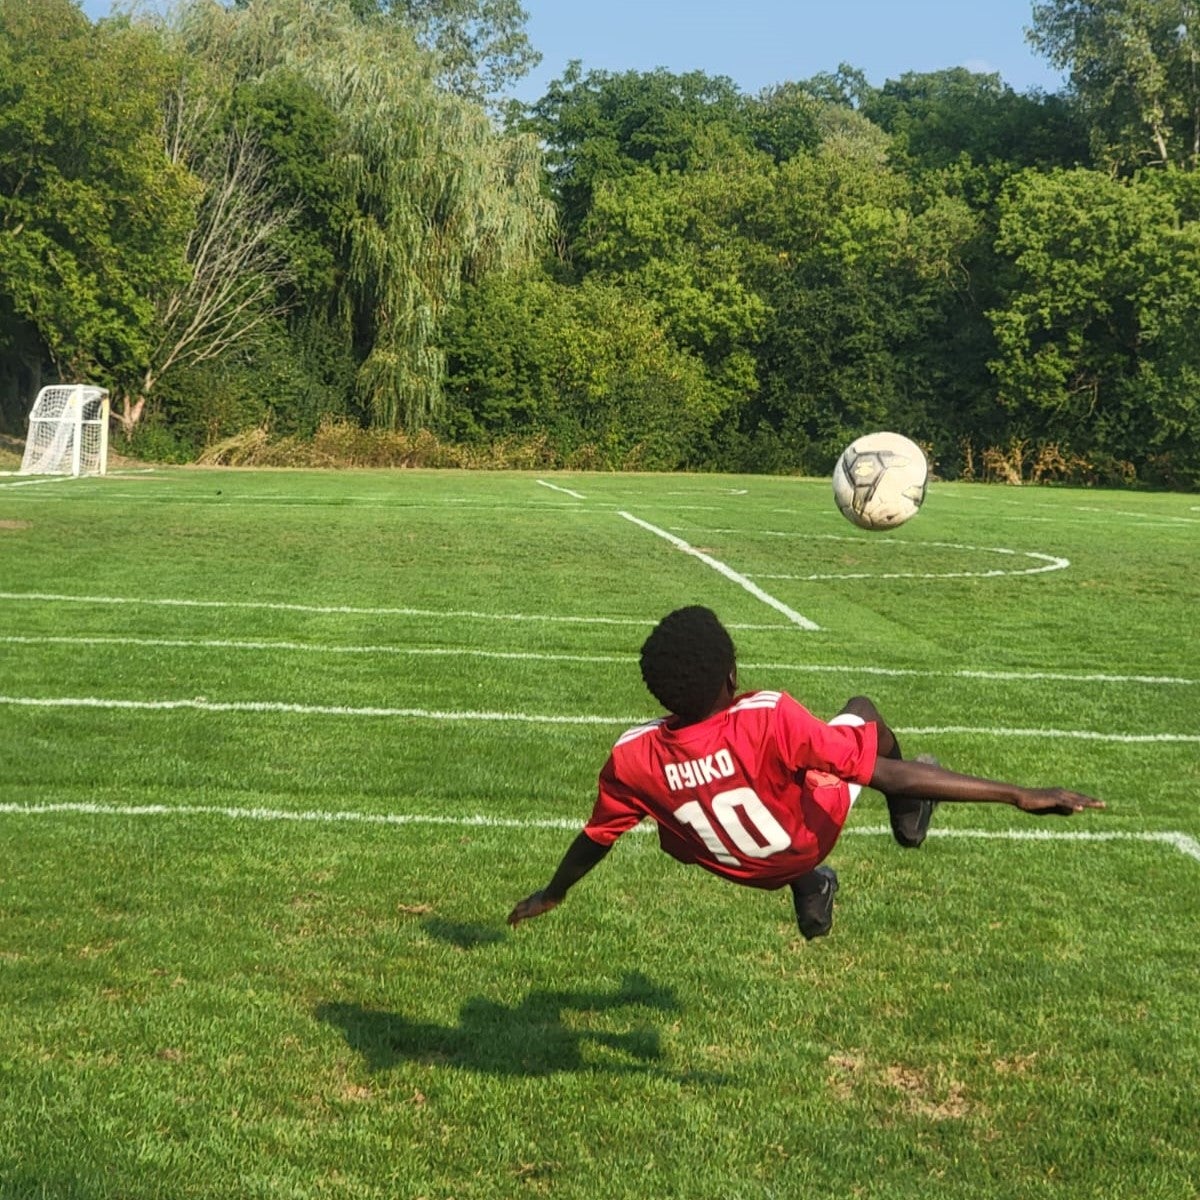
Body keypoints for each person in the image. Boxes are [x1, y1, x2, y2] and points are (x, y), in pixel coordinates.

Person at [507, 605, 1104, 941]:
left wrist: (552, 892)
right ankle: (903, 823)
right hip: (807, 837)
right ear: (731, 676)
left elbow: (595, 838)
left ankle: (810, 885)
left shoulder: (631, 757)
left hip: (745, 872)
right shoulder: (768, 717)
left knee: (666, 826)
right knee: (862, 713)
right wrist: (1020, 793)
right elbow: (885, 774)